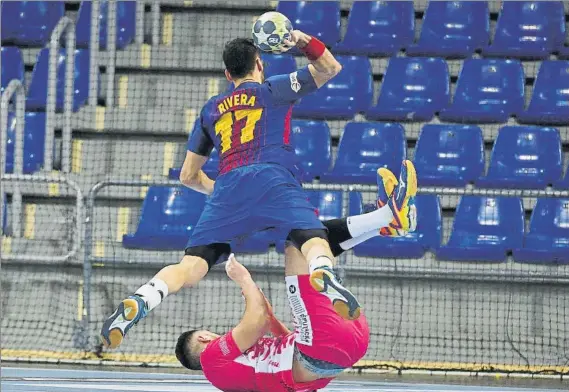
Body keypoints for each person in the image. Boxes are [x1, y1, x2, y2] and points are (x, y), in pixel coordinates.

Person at [100, 28, 417, 349]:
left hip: (228, 188)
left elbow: (187, 176)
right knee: (311, 239)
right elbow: (330, 68)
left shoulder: (211, 109)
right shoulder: (272, 91)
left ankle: (144, 298)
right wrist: (303, 41)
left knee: (191, 265)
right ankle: (325, 274)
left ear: (227, 74)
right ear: (259, 64)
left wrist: (221, 193)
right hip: (272, 177)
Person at [175, 248, 369, 392]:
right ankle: (376, 223)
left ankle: (380, 222)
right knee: (297, 245)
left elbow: (267, 324)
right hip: (317, 350)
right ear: (203, 338)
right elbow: (256, 323)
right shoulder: (210, 356)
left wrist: (269, 316)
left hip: (346, 352)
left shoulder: (236, 375)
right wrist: (244, 279)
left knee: (317, 243)